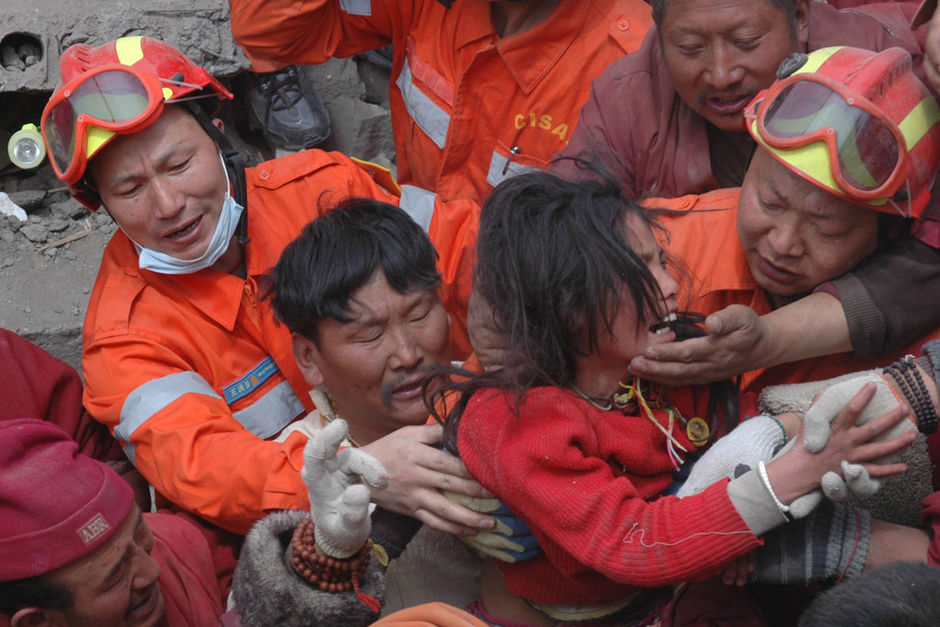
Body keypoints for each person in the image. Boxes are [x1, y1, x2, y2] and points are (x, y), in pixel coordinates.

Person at [39, 36, 490, 537]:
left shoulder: (329, 188)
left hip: (469, 432)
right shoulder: (124, 340)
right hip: (309, 528)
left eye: (179, 165)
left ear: (218, 135)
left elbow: (480, 269)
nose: (168, 204)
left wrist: (469, 416)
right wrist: (349, 473)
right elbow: (208, 467)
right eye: (131, 188)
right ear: (99, 201)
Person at [434, 170, 917, 626]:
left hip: (669, 594)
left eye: (660, 260)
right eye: (637, 272)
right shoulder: (517, 420)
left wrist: (752, 490)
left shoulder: (666, 362)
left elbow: (729, 424)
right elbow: (634, 542)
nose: (669, 286)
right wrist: (791, 478)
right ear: (568, 302)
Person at [556, 0, 940, 386]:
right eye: (690, 48)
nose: (721, 75)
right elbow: (548, 231)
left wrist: (773, 342)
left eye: (746, 40)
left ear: (800, 19)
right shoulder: (672, 236)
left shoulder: (914, 80)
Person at [640, 46, 940, 403]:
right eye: (770, 202)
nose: (783, 245)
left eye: (827, 228)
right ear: (746, 168)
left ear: (893, 234)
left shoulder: (923, 359)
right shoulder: (654, 245)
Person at [226, 0, 655, 208]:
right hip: (418, 293)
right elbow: (266, 32)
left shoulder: (631, 65)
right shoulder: (430, 5)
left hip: (531, 325)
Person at [0, 418, 239, 627]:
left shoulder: (183, 543)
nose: (153, 571)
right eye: (115, 577)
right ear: (38, 622)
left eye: (139, 534)